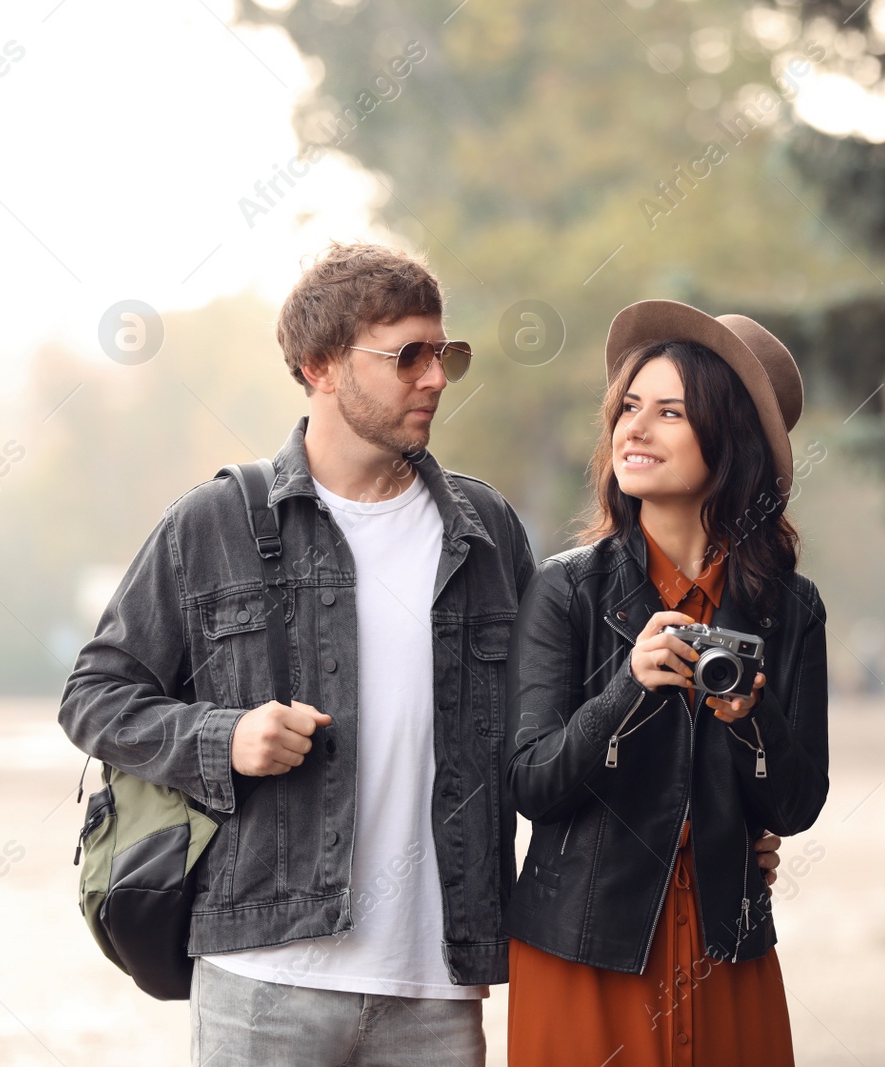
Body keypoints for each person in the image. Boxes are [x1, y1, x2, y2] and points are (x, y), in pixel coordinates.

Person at [57, 243, 786, 1066]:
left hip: (439, 989)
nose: (436, 378)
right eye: (408, 356)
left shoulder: (486, 530)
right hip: (265, 975)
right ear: (320, 366)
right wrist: (221, 738)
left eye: (446, 354)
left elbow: (570, 727)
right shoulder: (217, 521)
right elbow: (94, 693)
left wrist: (717, 818)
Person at [503, 300, 830, 1065]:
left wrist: (752, 715)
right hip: (585, 952)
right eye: (628, 407)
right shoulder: (566, 590)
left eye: (670, 411)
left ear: (732, 441)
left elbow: (796, 804)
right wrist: (627, 687)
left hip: (727, 945)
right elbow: (531, 783)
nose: (632, 429)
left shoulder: (791, 608)